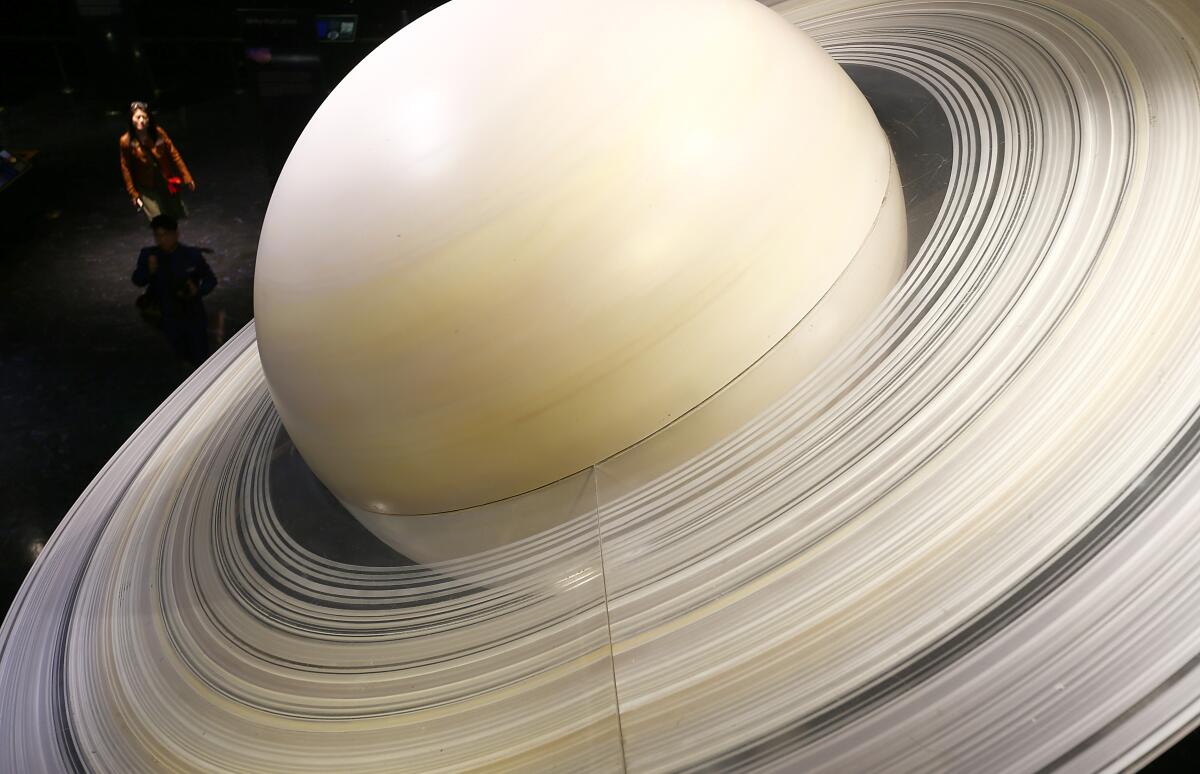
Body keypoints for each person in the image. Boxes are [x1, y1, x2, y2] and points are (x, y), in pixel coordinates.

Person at [132, 215, 217, 369]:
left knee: (202, 360)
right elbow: (137, 280)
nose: (161, 240)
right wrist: (149, 271)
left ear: (175, 234)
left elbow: (211, 279)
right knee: (182, 357)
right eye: (157, 235)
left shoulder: (191, 255)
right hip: (168, 317)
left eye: (165, 235)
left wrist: (197, 291)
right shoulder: (149, 255)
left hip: (193, 316)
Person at [119, 101, 196, 221]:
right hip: (146, 184)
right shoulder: (126, 141)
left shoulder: (158, 133)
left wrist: (187, 176)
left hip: (164, 178)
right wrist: (133, 193)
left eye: (144, 117)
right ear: (131, 119)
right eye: (137, 117)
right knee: (157, 217)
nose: (141, 120)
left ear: (149, 118)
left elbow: (173, 153)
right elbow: (126, 168)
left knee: (174, 211)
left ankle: (169, 237)